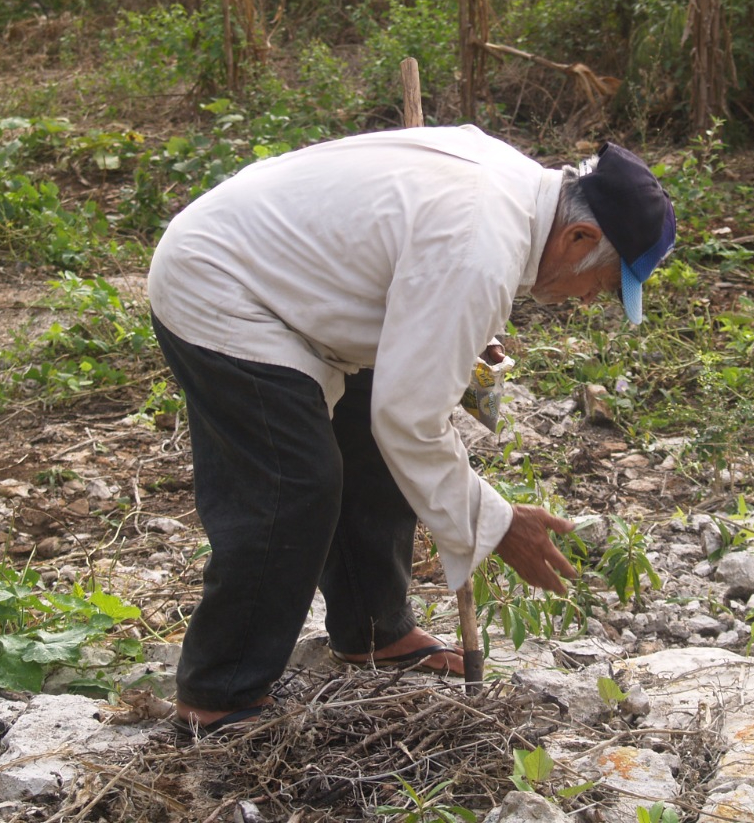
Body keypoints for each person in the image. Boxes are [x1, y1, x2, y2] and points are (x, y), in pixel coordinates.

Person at [147, 125, 676, 734]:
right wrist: (497, 524)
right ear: (579, 236)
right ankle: (219, 692)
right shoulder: (480, 245)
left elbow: (412, 355)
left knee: (370, 446)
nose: (588, 301)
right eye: (604, 286)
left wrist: (466, 348)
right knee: (292, 485)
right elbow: (411, 421)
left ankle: (373, 629)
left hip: (288, 279)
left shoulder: (516, 192)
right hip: (223, 286)